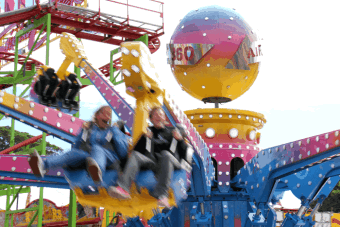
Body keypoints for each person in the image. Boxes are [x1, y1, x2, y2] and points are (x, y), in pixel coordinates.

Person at [109, 106, 193, 207]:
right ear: (151, 119)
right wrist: (145, 139)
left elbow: (185, 152)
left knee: (165, 154)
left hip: (172, 162)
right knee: (136, 155)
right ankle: (123, 188)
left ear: (164, 118)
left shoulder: (172, 131)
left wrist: (179, 140)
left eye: (160, 114)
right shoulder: (149, 132)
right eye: (155, 115)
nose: (158, 116)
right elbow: (136, 151)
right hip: (154, 163)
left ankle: (162, 195)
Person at [28, 106, 129, 185]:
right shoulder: (88, 129)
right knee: (73, 153)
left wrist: (116, 131)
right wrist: (83, 133)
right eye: (105, 114)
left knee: (97, 149)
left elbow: (123, 152)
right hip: (89, 159)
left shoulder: (112, 131)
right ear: (97, 115)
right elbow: (76, 147)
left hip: (110, 160)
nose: (108, 117)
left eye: (109, 115)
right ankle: (42, 165)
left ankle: (98, 172)